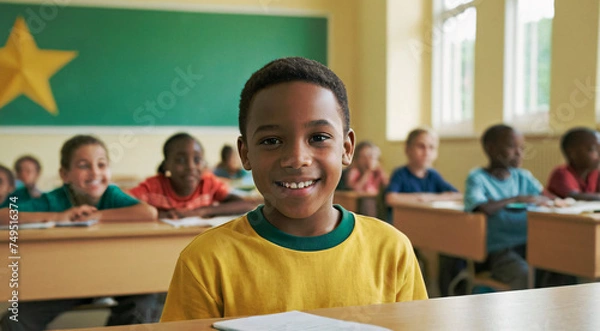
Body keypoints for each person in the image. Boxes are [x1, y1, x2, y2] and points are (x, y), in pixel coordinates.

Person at [160, 57, 427, 321]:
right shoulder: (206, 261)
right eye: (272, 140)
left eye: (319, 137)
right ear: (246, 153)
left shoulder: (391, 250)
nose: (297, 157)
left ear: (346, 148)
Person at [0, 135, 159, 330]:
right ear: (64, 174)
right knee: (15, 321)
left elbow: (148, 213)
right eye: (84, 166)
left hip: (116, 277)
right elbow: (4, 215)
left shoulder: (111, 194)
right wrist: (59, 218)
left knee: (148, 302)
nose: (95, 173)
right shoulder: (54, 199)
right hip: (64, 282)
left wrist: (97, 216)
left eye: (101, 165)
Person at [464, 124, 549, 290]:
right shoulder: (478, 177)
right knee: (524, 274)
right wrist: (516, 198)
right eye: (512, 147)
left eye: (522, 148)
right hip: (498, 251)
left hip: (531, 245)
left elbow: (545, 197)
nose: (519, 153)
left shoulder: (523, 177)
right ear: (490, 148)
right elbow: (482, 207)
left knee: (560, 268)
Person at [129, 133, 257, 219]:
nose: (191, 167)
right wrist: (161, 214)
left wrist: (202, 211)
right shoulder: (153, 187)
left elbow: (247, 206)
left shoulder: (208, 184)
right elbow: (118, 203)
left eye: (197, 160)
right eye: (180, 160)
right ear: (166, 164)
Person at [385, 128, 461, 205]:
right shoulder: (400, 174)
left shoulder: (433, 175)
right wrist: (420, 198)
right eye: (421, 146)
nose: (427, 153)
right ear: (408, 149)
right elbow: (391, 198)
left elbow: (457, 195)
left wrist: (429, 197)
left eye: (431, 147)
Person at [547, 127, 600, 200]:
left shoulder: (595, 174)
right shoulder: (561, 174)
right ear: (572, 153)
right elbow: (574, 196)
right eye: (593, 149)